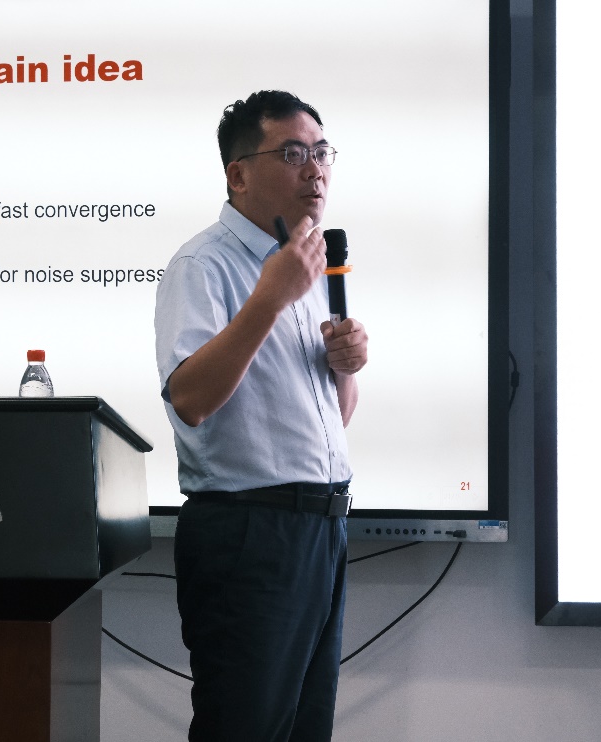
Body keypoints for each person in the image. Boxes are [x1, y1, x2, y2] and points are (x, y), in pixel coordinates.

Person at [154, 90, 369, 741]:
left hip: (320, 530)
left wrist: (345, 368)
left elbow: (331, 422)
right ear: (238, 173)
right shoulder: (203, 265)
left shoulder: (305, 265)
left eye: (322, 153)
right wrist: (269, 299)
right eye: (293, 154)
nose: (315, 171)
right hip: (248, 533)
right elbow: (190, 399)